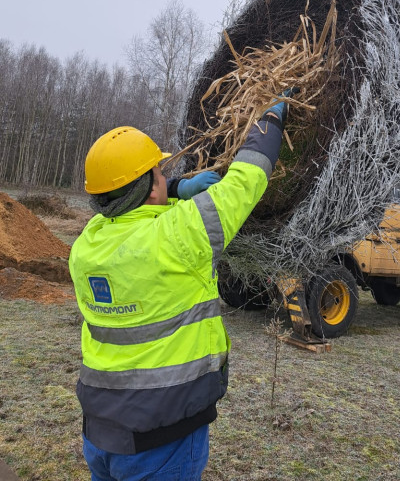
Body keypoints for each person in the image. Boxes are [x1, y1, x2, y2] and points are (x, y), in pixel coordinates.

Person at [69, 96, 289, 480]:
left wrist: (174, 188)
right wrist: (269, 119)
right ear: (150, 189)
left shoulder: (86, 246)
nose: (162, 177)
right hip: (161, 439)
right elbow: (246, 181)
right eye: (159, 172)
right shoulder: (178, 237)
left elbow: (134, 209)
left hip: (101, 433)